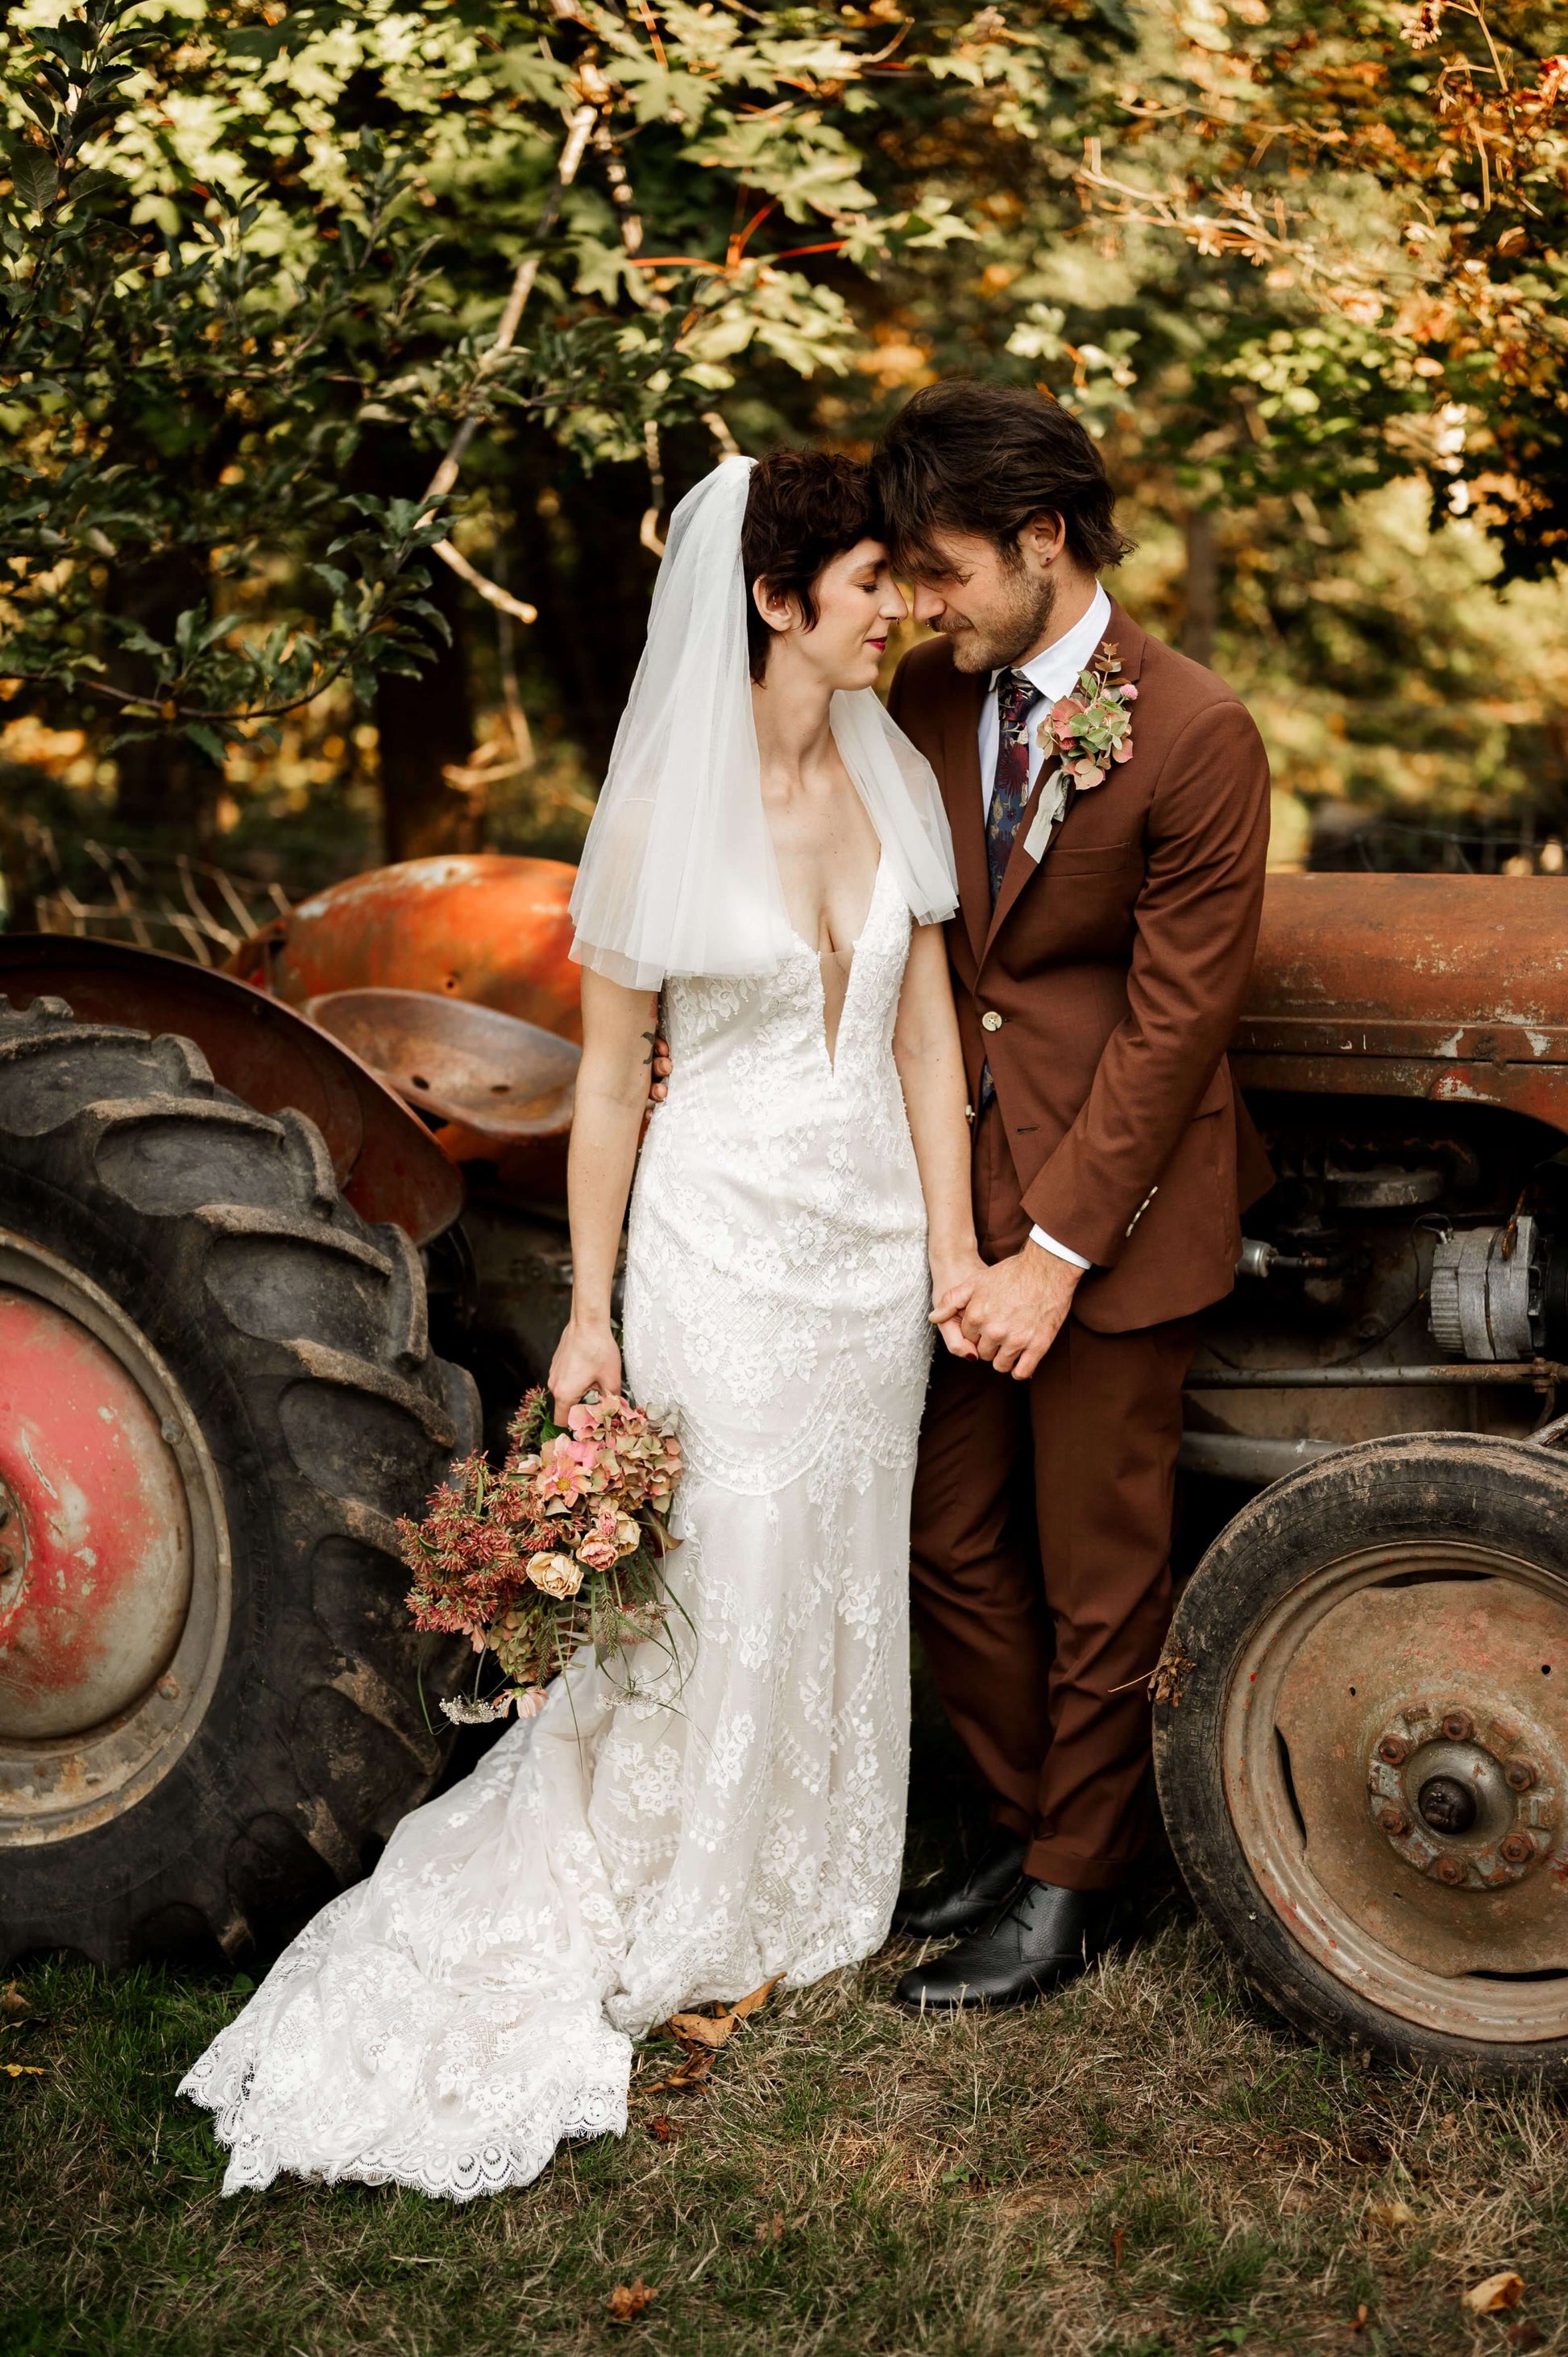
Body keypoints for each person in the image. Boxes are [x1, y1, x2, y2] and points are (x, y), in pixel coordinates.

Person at [179, 450, 983, 2199]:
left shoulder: (892, 768)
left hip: (866, 1242)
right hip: (721, 1235)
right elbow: (613, 1082)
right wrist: (591, 1315)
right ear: (775, 601)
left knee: (844, 1530)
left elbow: (925, 1037)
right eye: (868, 586)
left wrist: (954, 1241)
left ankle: (814, 1866)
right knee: (733, 1547)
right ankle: (682, 1870)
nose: (898, 611)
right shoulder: (663, 813)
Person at [874, 380, 1273, 2012]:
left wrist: (1046, 1252)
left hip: (1110, 1220)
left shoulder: (1191, 731)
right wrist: (955, 1230)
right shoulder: (918, 698)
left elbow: (1177, 1027)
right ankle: (1056, 1827)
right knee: (947, 1536)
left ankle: (1062, 1888)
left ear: (1043, 538)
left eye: (943, 566)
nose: (921, 601)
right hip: (946, 1202)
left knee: (1099, 1569)